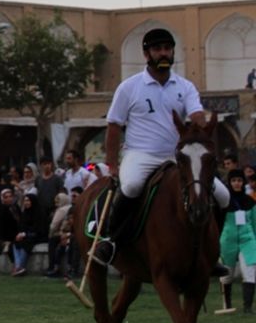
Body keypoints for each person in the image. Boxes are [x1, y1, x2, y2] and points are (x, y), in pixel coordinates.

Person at [94, 28, 231, 267]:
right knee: (133, 185)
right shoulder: (129, 87)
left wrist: (203, 126)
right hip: (141, 154)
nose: (163, 53)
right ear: (146, 54)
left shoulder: (185, 86)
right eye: (157, 49)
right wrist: (113, 164)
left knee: (223, 195)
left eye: (167, 48)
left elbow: (195, 113)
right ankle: (111, 240)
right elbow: (114, 126)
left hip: (176, 156)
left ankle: (212, 250)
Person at [220, 170, 256, 315]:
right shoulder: (223, 201)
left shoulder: (250, 201)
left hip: (248, 240)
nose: (237, 183)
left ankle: (248, 308)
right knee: (227, 273)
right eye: (234, 180)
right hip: (228, 240)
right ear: (229, 182)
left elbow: (254, 222)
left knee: (249, 271)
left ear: (243, 182)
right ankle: (227, 305)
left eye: (240, 180)